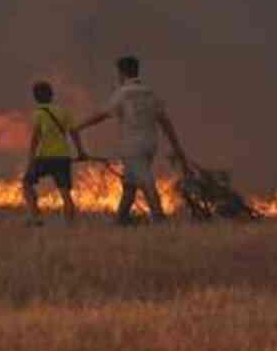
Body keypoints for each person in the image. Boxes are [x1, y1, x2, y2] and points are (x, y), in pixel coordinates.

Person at [71, 56, 191, 225]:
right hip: (150, 144)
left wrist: (79, 126)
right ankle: (121, 220)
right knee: (130, 185)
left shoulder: (122, 94)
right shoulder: (150, 93)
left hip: (132, 146)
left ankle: (160, 219)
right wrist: (177, 146)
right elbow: (165, 122)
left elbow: (102, 115)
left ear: (121, 73)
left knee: (146, 181)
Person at [23, 80, 79, 225]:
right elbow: (74, 134)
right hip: (62, 157)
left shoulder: (38, 114)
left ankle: (36, 216)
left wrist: (31, 159)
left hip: (44, 157)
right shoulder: (64, 112)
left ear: (35, 97)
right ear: (52, 95)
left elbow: (35, 138)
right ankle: (70, 225)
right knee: (65, 193)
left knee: (27, 183)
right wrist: (81, 152)